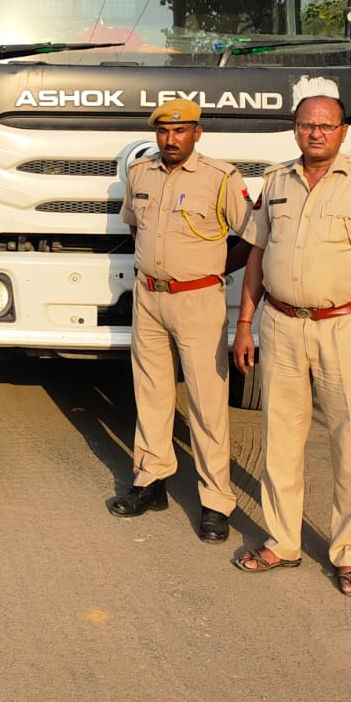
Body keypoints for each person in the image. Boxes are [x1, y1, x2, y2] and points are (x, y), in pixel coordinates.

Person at [231, 93, 351, 597]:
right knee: (280, 440)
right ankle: (282, 540)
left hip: (345, 328)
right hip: (281, 325)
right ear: (295, 129)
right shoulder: (275, 181)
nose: (316, 134)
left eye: (326, 126)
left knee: (349, 445)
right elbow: (256, 255)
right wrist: (245, 322)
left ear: (342, 131)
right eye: (307, 125)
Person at [108, 98, 250, 544]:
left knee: (208, 402)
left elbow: (251, 236)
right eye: (164, 132)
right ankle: (151, 480)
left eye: (181, 131)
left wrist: (215, 270)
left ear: (197, 133)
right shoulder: (141, 173)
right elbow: (136, 226)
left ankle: (215, 501)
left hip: (199, 300)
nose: (171, 139)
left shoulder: (222, 177)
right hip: (149, 295)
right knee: (150, 393)